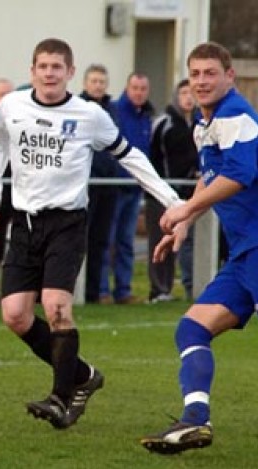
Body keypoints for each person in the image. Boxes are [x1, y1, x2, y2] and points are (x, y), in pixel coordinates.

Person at [0, 38, 182, 429]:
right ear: (32, 70)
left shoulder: (89, 115)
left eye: (58, 67)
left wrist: (171, 200)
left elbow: (130, 156)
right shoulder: (12, 106)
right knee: (15, 316)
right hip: (24, 222)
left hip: (68, 223)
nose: (50, 73)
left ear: (70, 72)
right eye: (43, 66)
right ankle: (83, 376)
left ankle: (60, 397)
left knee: (56, 306)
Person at [140, 42, 258, 454]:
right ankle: (195, 422)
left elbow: (237, 176)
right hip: (244, 251)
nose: (201, 81)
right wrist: (184, 222)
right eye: (195, 74)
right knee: (193, 327)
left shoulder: (235, 115)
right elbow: (211, 176)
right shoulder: (207, 122)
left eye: (210, 73)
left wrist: (185, 208)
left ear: (229, 76)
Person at [101, 72, 154, 304]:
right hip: (116, 186)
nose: (139, 93)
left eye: (143, 89)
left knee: (125, 241)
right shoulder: (115, 111)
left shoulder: (146, 116)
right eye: (135, 88)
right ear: (127, 88)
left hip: (134, 187)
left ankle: (123, 289)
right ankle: (102, 290)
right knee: (107, 239)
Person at [146, 79, 199, 303]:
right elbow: (154, 157)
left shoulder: (199, 124)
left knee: (187, 243)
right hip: (163, 193)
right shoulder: (164, 123)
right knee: (161, 240)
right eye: (184, 93)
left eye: (192, 93)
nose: (188, 97)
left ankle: (189, 287)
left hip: (189, 194)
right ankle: (159, 290)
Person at [79, 64, 119, 303]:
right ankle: (77, 289)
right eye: (93, 81)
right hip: (85, 184)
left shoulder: (112, 110)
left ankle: (95, 290)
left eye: (101, 82)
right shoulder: (78, 109)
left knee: (101, 240)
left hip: (108, 183)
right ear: (85, 84)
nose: (97, 86)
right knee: (80, 238)